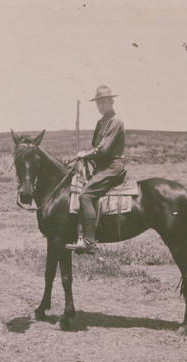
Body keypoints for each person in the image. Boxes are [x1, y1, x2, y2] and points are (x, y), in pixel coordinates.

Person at [66, 85, 126, 254]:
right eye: (98, 103)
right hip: (101, 167)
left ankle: (89, 242)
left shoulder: (116, 121)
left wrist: (85, 154)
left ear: (111, 102)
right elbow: (96, 146)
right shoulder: (101, 122)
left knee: (85, 195)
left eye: (104, 102)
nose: (100, 106)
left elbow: (104, 149)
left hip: (113, 167)